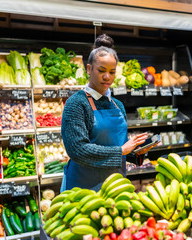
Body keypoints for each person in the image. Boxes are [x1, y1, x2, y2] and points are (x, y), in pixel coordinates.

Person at [60, 42, 153, 191]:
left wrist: (135, 152)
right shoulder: (76, 103)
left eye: (112, 72)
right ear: (89, 69)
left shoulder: (118, 105)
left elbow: (118, 146)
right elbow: (77, 150)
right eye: (101, 70)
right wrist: (121, 151)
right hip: (84, 188)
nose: (107, 77)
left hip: (116, 186)